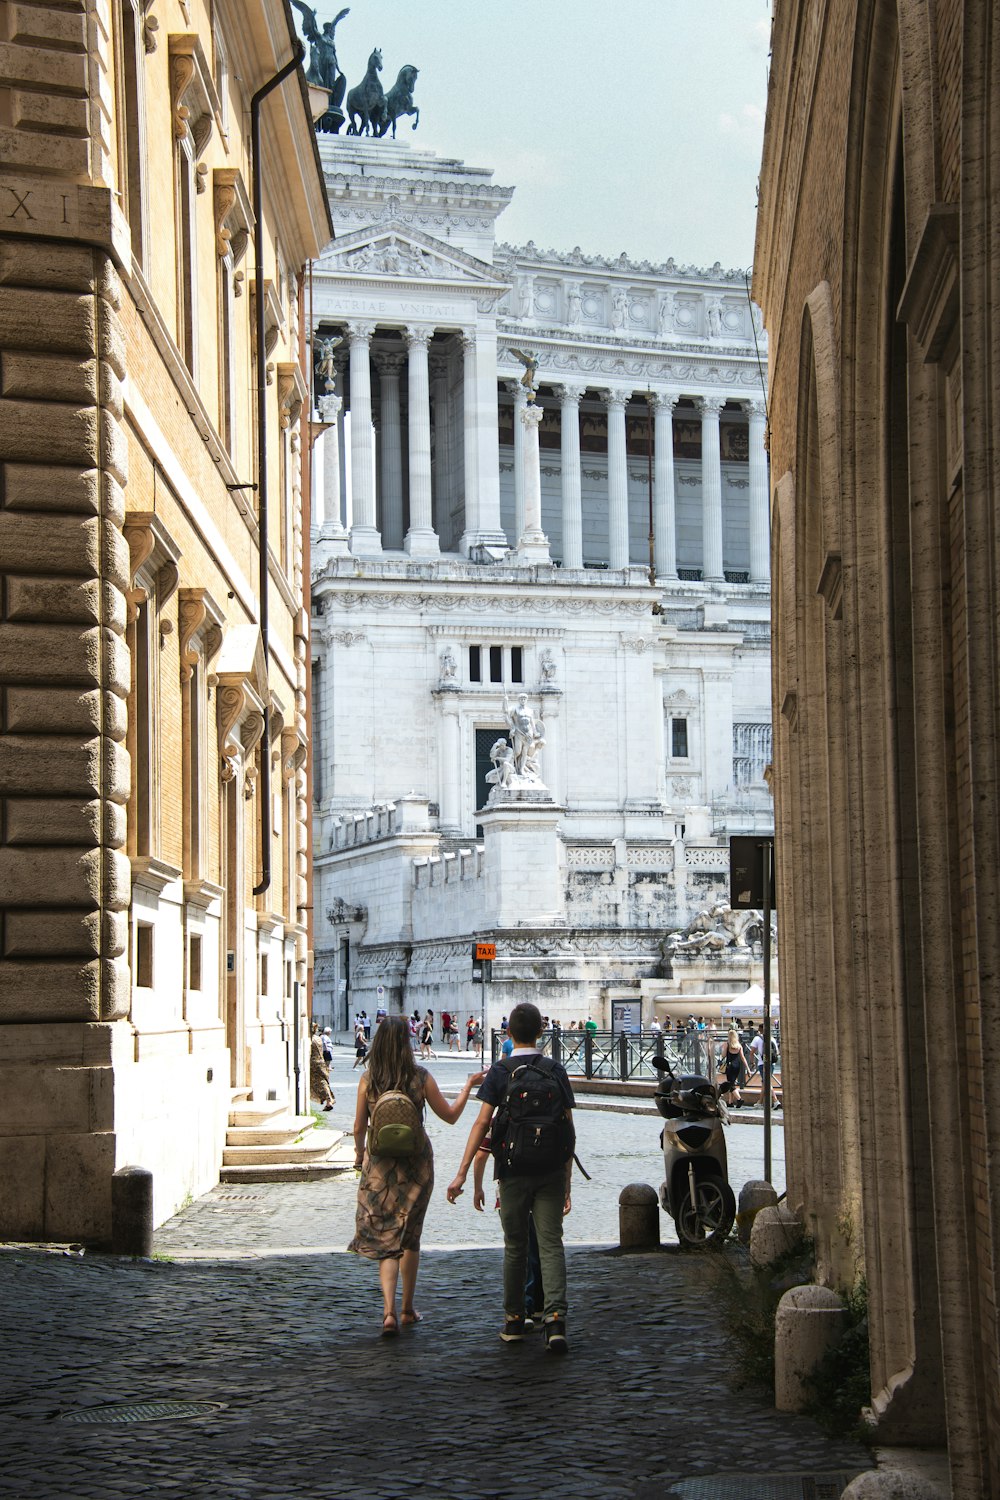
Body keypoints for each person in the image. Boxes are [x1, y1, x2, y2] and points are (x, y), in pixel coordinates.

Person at [447, 1001, 575, 1353]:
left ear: (508, 1034)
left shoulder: (501, 1072)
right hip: (550, 1169)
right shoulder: (556, 1070)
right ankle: (555, 1322)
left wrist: (461, 1174)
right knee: (551, 1244)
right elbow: (568, 1129)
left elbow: (481, 1123)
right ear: (540, 1032)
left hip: (512, 1170)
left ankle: (514, 1321)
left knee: (515, 1247)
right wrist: (567, 1183)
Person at [349, 1016, 483, 1335]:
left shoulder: (369, 1079)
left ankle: (388, 1312)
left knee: (386, 1236)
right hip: (417, 1165)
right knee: (410, 1236)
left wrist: (359, 1154)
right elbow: (450, 1116)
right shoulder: (420, 1076)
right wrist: (467, 1086)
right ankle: (407, 1309)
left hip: (379, 1167)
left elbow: (357, 1128)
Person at [717, 1027, 752, 1109]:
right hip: (737, 1066)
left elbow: (724, 1055)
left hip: (730, 1065)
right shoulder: (739, 1046)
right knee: (731, 1082)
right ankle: (730, 1102)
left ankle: (739, 1099)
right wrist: (748, 1069)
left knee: (730, 1084)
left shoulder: (727, 1044)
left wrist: (723, 1049)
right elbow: (743, 1058)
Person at [310, 1024, 336, 1111]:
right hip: (321, 1061)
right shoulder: (318, 1038)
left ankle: (329, 1101)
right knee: (324, 1081)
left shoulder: (310, 1039)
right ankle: (329, 1101)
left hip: (313, 1063)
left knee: (318, 1083)